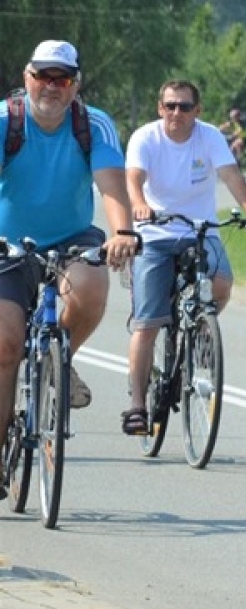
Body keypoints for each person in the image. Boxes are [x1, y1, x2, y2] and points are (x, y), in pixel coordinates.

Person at [122, 80, 246, 436]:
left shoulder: (209, 138)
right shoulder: (146, 137)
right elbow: (133, 178)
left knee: (221, 284)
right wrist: (140, 204)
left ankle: (199, 331)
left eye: (185, 107)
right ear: (160, 108)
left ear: (197, 111)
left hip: (200, 231)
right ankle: (137, 406)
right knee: (146, 325)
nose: (177, 113)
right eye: (170, 106)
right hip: (155, 233)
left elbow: (231, 175)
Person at [0, 40, 138, 424]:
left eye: (63, 79)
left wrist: (123, 232)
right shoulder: (5, 121)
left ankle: (58, 358)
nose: (52, 86)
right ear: (26, 78)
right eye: (43, 76)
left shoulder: (93, 124)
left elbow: (112, 185)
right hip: (6, 244)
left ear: (75, 86)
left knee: (92, 286)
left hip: (71, 237)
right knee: (5, 346)